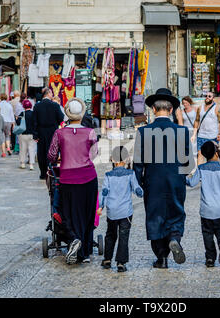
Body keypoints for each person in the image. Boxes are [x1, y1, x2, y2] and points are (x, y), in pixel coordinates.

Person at [133, 88, 195, 269]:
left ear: (153, 109)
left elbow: (138, 163)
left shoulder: (143, 132)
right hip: (176, 180)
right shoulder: (182, 131)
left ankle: (161, 258)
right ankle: (174, 238)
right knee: (176, 213)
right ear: (170, 110)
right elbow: (188, 163)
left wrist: (138, 183)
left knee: (155, 217)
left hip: (153, 182)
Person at [47, 97, 98, 264]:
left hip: (68, 178)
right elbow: (93, 155)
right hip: (88, 176)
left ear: (67, 114)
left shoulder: (59, 133)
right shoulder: (90, 132)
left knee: (67, 211)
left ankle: (74, 238)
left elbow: (51, 155)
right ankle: (84, 252)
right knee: (86, 213)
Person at [186, 141, 220, 267]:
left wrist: (182, 178)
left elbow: (192, 183)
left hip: (206, 210)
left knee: (207, 233)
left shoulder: (201, 169)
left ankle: (210, 258)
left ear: (204, 155)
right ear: (216, 153)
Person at [97, 146, 144, 273]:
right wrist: (142, 193)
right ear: (127, 159)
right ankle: (121, 262)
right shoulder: (130, 174)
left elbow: (105, 191)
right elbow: (136, 188)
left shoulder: (108, 175)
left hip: (112, 211)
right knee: (124, 236)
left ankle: (107, 259)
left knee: (110, 235)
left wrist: (101, 206)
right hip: (126, 212)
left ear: (112, 159)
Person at [33, 88, 65, 180]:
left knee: (41, 152)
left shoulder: (37, 106)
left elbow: (34, 121)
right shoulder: (55, 105)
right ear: (49, 93)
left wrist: (35, 134)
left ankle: (43, 173)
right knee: (52, 151)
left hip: (41, 131)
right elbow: (61, 118)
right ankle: (51, 171)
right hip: (52, 131)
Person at [192, 92, 220, 165]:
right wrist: (194, 134)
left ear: (213, 98)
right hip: (201, 135)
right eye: (206, 96)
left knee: (212, 156)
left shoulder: (217, 108)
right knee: (200, 154)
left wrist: (219, 133)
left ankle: (212, 171)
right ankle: (200, 173)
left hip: (213, 136)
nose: (207, 97)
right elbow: (197, 120)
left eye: (209, 96)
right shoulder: (200, 108)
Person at [17, 100, 37, 170]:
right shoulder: (33, 114)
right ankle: (31, 164)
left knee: (23, 149)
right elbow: (35, 124)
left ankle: (22, 163)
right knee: (32, 149)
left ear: (23, 106)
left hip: (23, 134)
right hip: (31, 134)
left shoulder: (22, 114)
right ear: (30, 106)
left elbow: (18, 122)